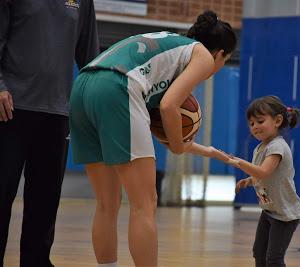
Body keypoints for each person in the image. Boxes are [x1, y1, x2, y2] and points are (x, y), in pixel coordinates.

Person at [68, 10, 236, 267]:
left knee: (106, 204)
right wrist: (179, 147)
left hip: (82, 86)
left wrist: (202, 149)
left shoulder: (167, 48)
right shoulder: (201, 54)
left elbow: (151, 124)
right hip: (118, 86)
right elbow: (169, 107)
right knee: (144, 205)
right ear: (220, 54)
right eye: (226, 60)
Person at [0, 0, 99, 266]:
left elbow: (90, 58)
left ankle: (36, 262)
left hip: (56, 114)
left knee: (45, 200)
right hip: (10, 108)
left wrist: (96, 103)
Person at [231, 96, 300, 267]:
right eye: (251, 124)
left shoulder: (277, 146)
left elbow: (263, 172)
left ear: (278, 120)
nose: (254, 127)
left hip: (284, 216)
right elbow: (264, 174)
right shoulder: (261, 146)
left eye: (260, 121)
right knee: (259, 252)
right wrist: (249, 180)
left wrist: (238, 162)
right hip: (270, 210)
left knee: (274, 259)